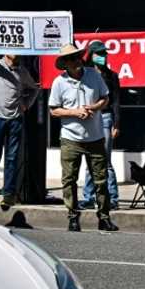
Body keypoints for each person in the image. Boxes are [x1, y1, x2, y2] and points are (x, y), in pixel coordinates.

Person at [49, 44, 116, 233]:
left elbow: (106, 98)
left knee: (100, 179)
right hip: (71, 138)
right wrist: (75, 112)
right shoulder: (59, 82)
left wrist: (94, 108)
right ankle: (72, 217)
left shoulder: (94, 75)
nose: (76, 60)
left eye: (77, 56)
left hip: (95, 137)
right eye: (71, 59)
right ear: (64, 64)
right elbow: (54, 110)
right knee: (69, 180)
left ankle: (104, 217)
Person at [0, 12, 40, 211]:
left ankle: (8, 195)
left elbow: (34, 88)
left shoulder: (22, 71)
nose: (15, 52)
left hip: (15, 119)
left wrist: (26, 104)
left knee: (12, 158)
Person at [81, 40, 121, 210]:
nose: (103, 57)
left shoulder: (112, 76)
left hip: (105, 118)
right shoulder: (85, 74)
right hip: (89, 118)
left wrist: (117, 124)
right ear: (92, 55)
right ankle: (88, 197)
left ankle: (113, 198)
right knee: (90, 159)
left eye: (105, 53)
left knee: (105, 160)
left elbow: (116, 101)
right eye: (99, 53)